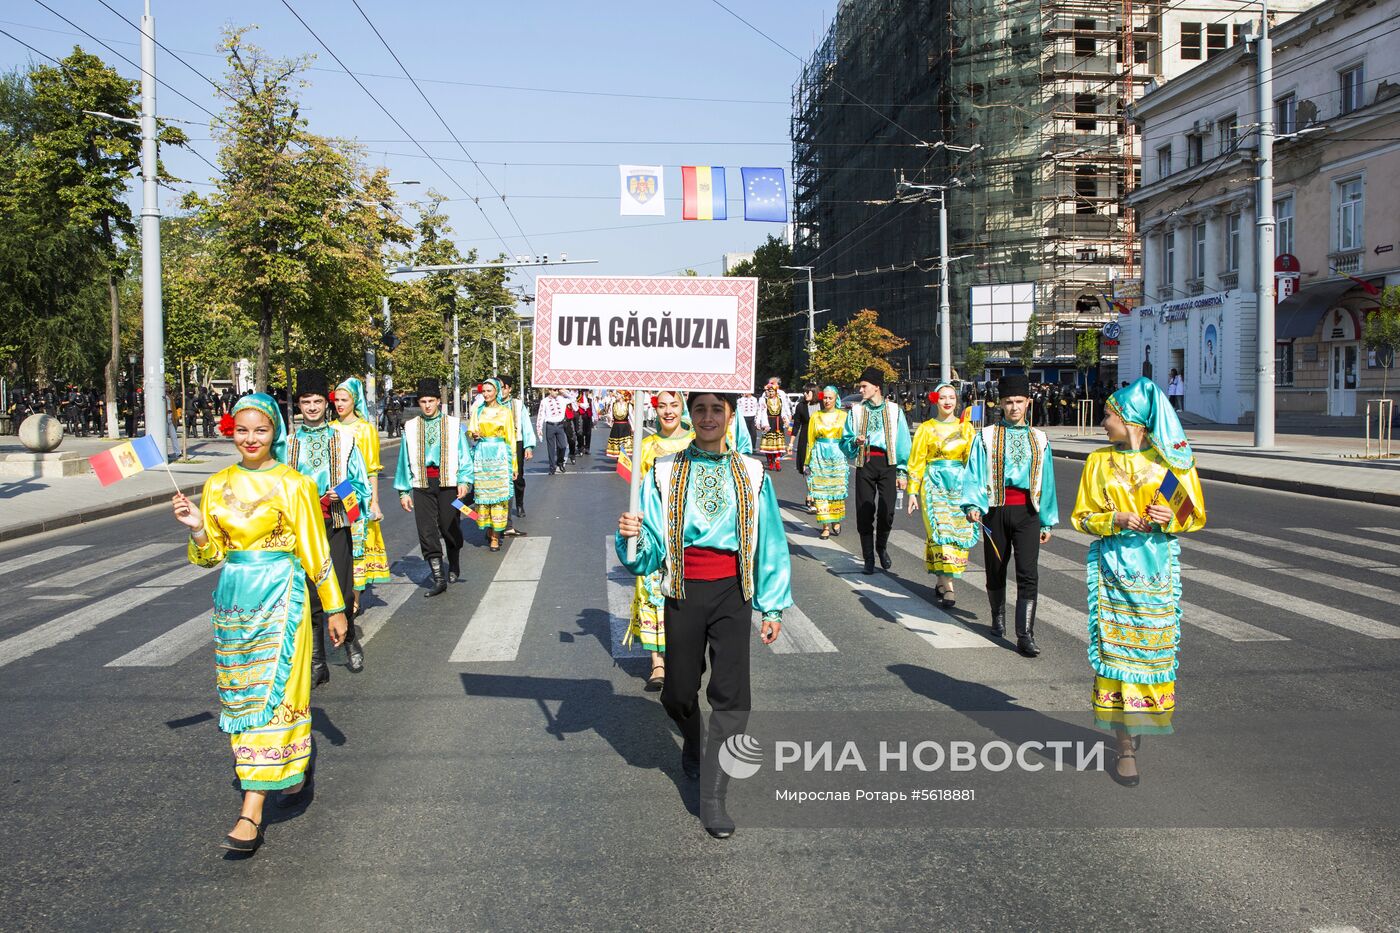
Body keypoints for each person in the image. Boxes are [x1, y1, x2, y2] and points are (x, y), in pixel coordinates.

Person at [172, 393, 347, 855]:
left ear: (275, 434)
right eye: (242, 430)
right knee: (242, 692)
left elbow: (315, 550)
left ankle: (251, 809)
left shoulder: (294, 484)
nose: (250, 439)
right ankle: (289, 765)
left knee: (277, 691)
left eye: (261, 430)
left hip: (281, 596)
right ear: (231, 431)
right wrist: (195, 527)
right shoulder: (217, 484)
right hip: (233, 599)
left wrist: (334, 607)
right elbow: (208, 557)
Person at [617, 391, 790, 839]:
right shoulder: (663, 470)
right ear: (691, 416)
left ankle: (713, 798)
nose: (708, 417)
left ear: (731, 415)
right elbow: (650, 549)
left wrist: (772, 606)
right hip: (682, 590)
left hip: (734, 591)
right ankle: (692, 739)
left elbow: (770, 540)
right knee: (676, 692)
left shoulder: (752, 472)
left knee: (732, 698)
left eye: (717, 409)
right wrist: (632, 539)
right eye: (700, 409)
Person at [1072, 377, 1205, 786]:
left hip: (1155, 570)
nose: (1103, 423)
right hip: (1113, 569)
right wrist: (1116, 519)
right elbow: (1082, 516)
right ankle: (1125, 747)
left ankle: (1136, 721)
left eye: (1109, 415)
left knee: (1148, 656)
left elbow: (1192, 514)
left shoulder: (1166, 465)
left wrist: (1171, 518)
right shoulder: (1098, 462)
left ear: (1132, 420)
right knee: (1115, 657)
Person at [961, 374, 1059, 657]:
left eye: (1019, 401)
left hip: (1028, 512)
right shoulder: (986, 436)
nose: (1014, 407)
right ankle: (997, 615)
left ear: (1028, 403)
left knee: (1028, 573)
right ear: (1001, 404)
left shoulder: (1040, 439)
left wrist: (1047, 520)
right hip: (995, 510)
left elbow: (1047, 480)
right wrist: (972, 506)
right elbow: (975, 473)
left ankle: (1025, 634)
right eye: (1008, 402)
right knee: (996, 568)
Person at [285, 370, 371, 682]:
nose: (311, 407)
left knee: (342, 590)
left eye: (317, 401)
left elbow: (362, 488)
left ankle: (349, 638)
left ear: (328, 404)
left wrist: (342, 494)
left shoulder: (345, 441)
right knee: (309, 593)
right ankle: (317, 660)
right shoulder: (287, 444)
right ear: (299, 405)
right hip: (301, 530)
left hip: (335, 523)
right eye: (306, 401)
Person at [624, 390, 695, 691]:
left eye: (674, 405)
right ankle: (657, 663)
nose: (668, 411)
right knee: (652, 593)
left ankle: (683, 657)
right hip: (654, 532)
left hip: (689, 534)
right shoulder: (646, 446)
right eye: (662, 406)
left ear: (682, 408)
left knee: (685, 597)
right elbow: (636, 493)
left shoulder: (696, 442)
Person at [394, 377, 473, 596]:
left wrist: (465, 481)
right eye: (423, 401)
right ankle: (439, 578)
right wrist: (403, 491)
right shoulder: (410, 427)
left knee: (450, 526)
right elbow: (403, 461)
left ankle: (454, 560)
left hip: (448, 482)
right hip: (421, 483)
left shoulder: (453, 425)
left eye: (431, 400)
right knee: (426, 530)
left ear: (439, 401)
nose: (427, 405)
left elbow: (464, 455)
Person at [906, 384, 979, 608]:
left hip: (959, 486)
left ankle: (940, 578)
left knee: (956, 532)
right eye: (943, 397)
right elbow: (917, 461)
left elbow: (974, 464)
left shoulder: (966, 429)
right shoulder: (926, 429)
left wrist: (976, 495)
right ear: (935, 400)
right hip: (934, 485)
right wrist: (912, 491)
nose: (947, 402)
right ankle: (949, 587)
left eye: (952, 398)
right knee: (940, 531)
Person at [842, 366, 911, 575]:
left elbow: (903, 443)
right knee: (865, 511)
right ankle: (868, 557)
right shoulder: (856, 411)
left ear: (876, 387)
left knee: (887, 511)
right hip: (865, 463)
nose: (861, 390)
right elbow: (844, 441)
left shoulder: (894, 411)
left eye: (864, 386)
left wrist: (902, 471)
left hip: (888, 464)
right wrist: (855, 440)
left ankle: (881, 546)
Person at [334, 378, 391, 612]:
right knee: (337, 544)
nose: (339, 404)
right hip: (334, 492)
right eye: (336, 399)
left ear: (354, 400)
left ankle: (354, 597)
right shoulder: (330, 428)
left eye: (344, 399)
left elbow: (371, 470)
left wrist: (375, 502)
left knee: (356, 543)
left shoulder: (365, 429)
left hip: (356, 494)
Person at [468, 378, 517, 552]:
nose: (486, 394)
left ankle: (496, 536)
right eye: (484, 391)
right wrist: (474, 435)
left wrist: (514, 466)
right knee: (484, 496)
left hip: (500, 455)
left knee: (499, 496)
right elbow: (471, 429)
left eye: (490, 391)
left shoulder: (505, 412)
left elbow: (510, 438)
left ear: (497, 391)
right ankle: (489, 528)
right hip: (482, 455)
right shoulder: (478, 410)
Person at [803, 386, 850, 539]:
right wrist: (807, 461)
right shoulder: (815, 416)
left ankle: (835, 519)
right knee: (821, 491)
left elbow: (848, 438)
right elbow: (810, 440)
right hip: (819, 456)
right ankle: (825, 526)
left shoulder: (844, 416)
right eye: (825, 398)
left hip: (837, 455)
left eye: (830, 398)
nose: (827, 400)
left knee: (836, 491)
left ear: (836, 399)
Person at [497, 377, 536, 524]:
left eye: (503, 388)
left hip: (516, 443)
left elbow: (526, 425)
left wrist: (528, 446)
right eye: (498, 388)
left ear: (509, 389)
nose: (501, 391)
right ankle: (501, 511)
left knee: (517, 478)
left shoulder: (518, 405)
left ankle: (519, 504)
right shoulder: (492, 404)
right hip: (498, 445)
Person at [755, 380, 790, 471]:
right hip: (769, 423)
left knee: (778, 445)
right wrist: (759, 422)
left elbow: (783, 412)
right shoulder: (764, 400)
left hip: (778, 423)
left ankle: (777, 462)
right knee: (769, 446)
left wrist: (786, 420)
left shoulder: (780, 400)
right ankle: (770, 462)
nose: (770, 393)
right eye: (769, 391)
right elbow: (761, 412)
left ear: (775, 392)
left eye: (772, 391)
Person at [792, 385, 817, 507]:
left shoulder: (822, 405)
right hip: (805, 438)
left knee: (818, 468)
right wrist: (791, 443)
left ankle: (813, 494)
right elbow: (796, 425)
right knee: (806, 468)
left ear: (814, 392)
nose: (806, 394)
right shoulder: (800, 406)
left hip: (819, 440)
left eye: (808, 392)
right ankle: (811, 493)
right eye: (804, 392)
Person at [536, 387, 570, 475]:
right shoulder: (544, 401)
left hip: (560, 425)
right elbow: (541, 415)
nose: (556, 392)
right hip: (550, 426)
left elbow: (572, 398)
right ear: (550, 390)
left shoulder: (562, 399)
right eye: (554, 390)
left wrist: (563, 391)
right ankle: (552, 467)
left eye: (557, 390)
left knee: (562, 445)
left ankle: (560, 462)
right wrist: (539, 429)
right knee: (551, 448)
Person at [605, 390, 633, 459]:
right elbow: (610, 415)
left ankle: (623, 460)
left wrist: (633, 427)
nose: (616, 395)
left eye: (618, 394)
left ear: (622, 396)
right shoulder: (613, 404)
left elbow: (631, 417)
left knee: (624, 445)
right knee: (617, 446)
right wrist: (609, 417)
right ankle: (619, 460)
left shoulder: (628, 405)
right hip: (616, 427)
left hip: (625, 427)